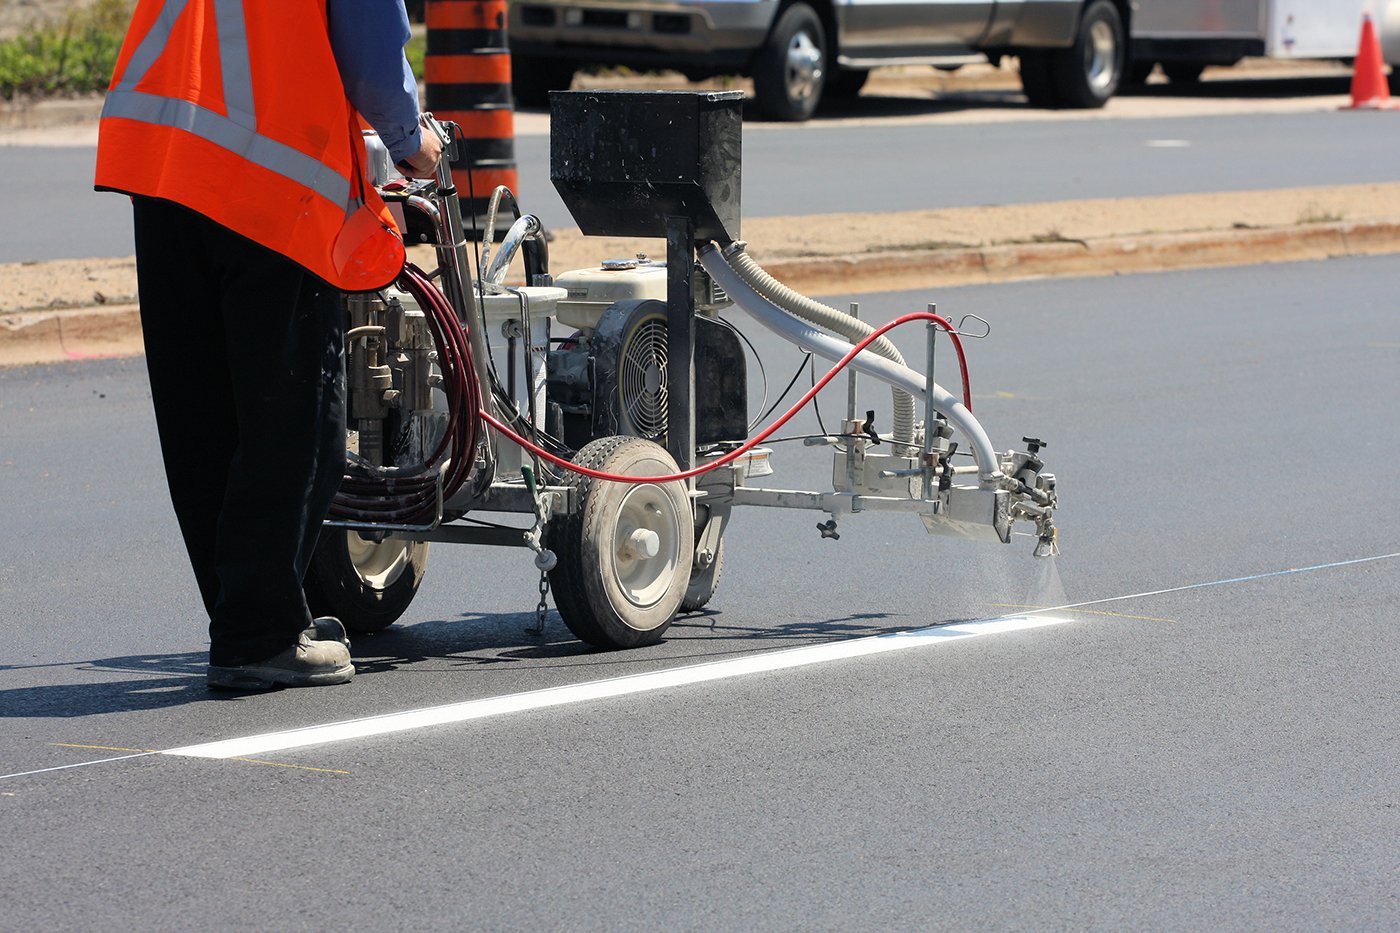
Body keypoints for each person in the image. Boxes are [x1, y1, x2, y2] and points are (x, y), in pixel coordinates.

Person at [94, 0, 441, 690]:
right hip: (265, 174)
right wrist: (411, 139)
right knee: (298, 416)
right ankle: (259, 630)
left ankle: (251, 613)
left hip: (164, 163)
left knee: (203, 411)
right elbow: (369, 43)